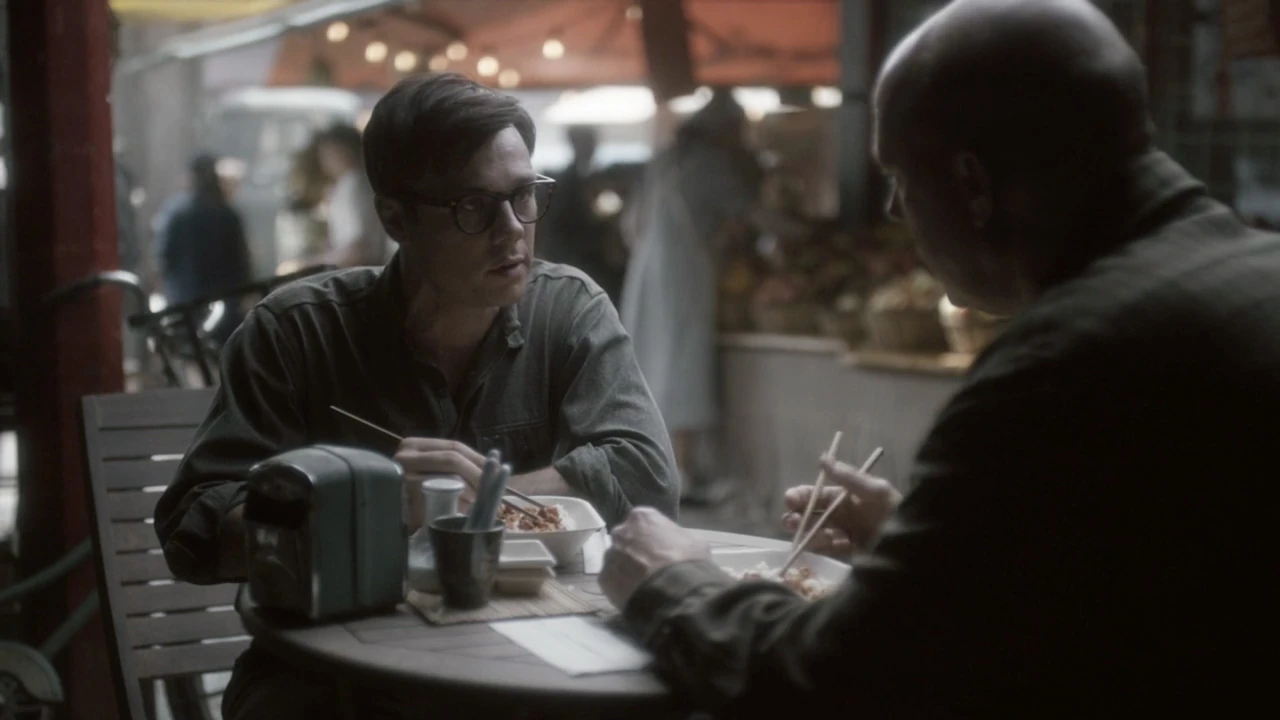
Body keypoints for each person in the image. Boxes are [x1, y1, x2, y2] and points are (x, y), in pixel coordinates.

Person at [599, 0, 1280, 715]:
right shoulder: (1251, 272)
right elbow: (1140, 574)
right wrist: (930, 542)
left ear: (971, 184)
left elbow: (837, 680)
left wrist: (671, 584)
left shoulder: (1064, 365)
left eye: (899, 179)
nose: (896, 212)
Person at [153, 72, 679, 720]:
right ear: (396, 217)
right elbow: (195, 531)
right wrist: (363, 512)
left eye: (524, 195)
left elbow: (646, 475)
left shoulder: (566, 311)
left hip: (526, 663)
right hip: (332, 679)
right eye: (473, 207)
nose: (512, 230)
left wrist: (485, 498)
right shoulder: (297, 333)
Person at [619, 90, 763, 505]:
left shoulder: (666, 160)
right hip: (686, 273)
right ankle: (680, 468)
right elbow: (753, 213)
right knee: (684, 362)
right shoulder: (713, 164)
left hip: (649, 269)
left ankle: (668, 465)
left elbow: (631, 223)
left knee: (656, 358)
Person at [153, 154, 252, 345]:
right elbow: (241, 260)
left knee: (191, 351)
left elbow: (164, 258)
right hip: (224, 302)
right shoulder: (226, 213)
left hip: (185, 300)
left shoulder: (176, 212)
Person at [537, 125, 625, 302]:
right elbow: (558, 228)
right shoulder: (563, 184)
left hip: (597, 265)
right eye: (587, 142)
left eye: (592, 142)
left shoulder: (600, 178)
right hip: (576, 262)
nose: (592, 147)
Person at [311, 123, 391, 268]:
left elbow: (359, 251)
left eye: (327, 152)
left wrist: (309, 264)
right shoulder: (352, 183)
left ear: (342, 150)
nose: (323, 160)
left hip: (359, 271)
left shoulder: (356, 185)